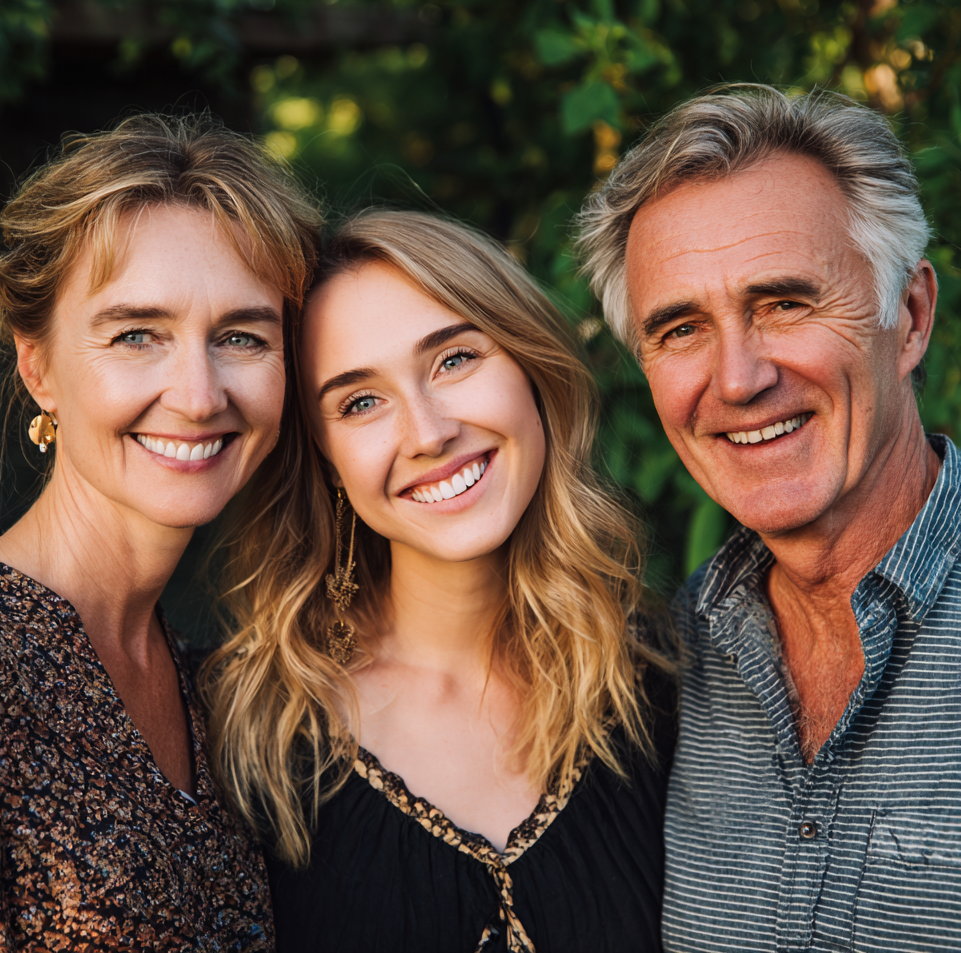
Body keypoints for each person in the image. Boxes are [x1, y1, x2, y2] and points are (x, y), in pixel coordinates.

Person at [204, 210, 676, 953]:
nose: (427, 433)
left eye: (454, 359)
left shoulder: (672, 687)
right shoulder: (242, 731)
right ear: (325, 457)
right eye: (360, 402)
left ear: (530, 366)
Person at [577, 84, 961, 952]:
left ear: (908, 318)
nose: (740, 378)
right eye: (679, 329)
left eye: (784, 303)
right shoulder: (659, 675)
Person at [0, 113, 321, 950]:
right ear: (37, 365)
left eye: (241, 337)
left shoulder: (222, 694)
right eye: (136, 335)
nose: (198, 393)